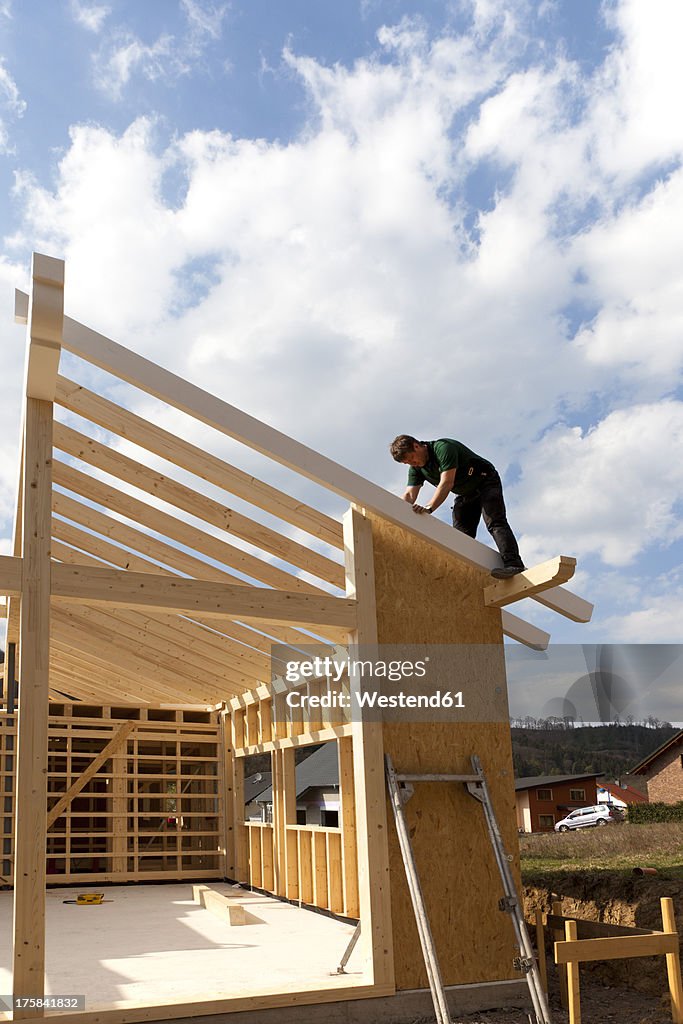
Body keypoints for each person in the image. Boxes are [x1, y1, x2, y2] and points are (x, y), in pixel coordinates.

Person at [389, 435, 525, 579]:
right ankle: (464, 574)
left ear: (416, 446)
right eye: (408, 463)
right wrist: (393, 512)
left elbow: (447, 483)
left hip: (485, 481)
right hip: (465, 493)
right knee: (460, 535)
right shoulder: (416, 469)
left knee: (494, 522)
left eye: (412, 458)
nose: (413, 464)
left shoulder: (443, 448)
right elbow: (409, 495)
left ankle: (514, 564)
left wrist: (429, 508)